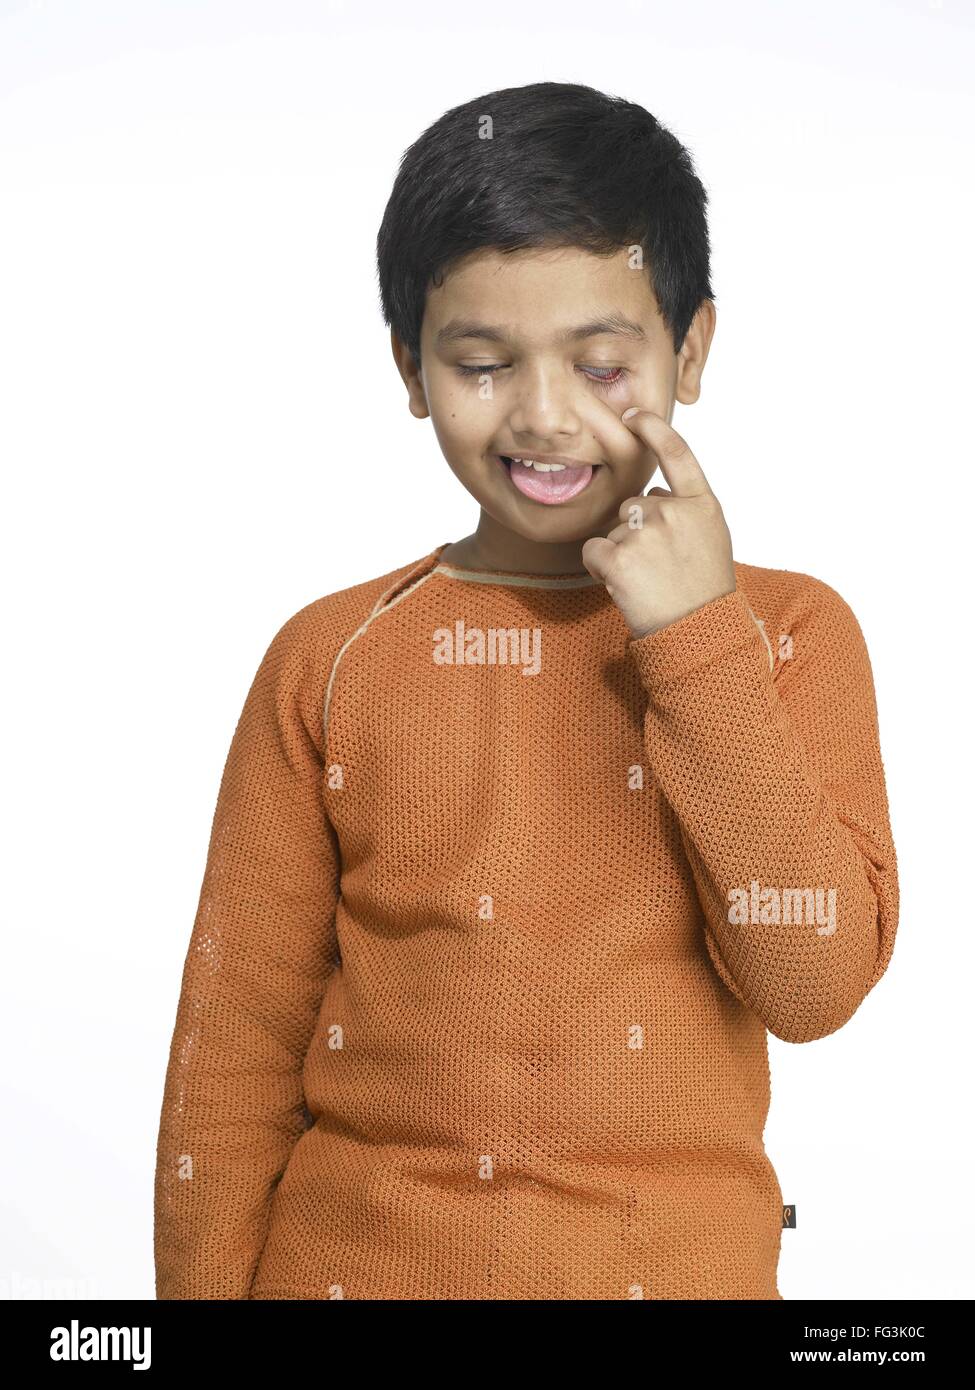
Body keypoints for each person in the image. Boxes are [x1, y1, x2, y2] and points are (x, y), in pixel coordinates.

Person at [153, 81, 899, 1300]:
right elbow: (230, 1052)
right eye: (484, 362)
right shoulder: (333, 655)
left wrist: (695, 638)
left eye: (601, 363)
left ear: (691, 348)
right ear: (410, 366)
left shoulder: (786, 634)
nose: (544, 415)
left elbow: (809, 984)